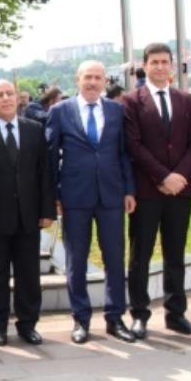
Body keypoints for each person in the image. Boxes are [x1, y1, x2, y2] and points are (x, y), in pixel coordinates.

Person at [46, 60, 136, 344]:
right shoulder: (60, 111)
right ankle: (81, 320)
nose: (93, 82)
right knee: (76, 260)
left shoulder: (116, 110)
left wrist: (129, 190)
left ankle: (115, 318)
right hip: (75, 196)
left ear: (105, 81)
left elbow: (123, 154)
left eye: (98, 77)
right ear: (78, 79)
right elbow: (50, 157)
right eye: (88, 77)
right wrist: (53, 195)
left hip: (111, 195)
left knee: (114, 258)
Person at [122, 43, 191, 339]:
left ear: (172, 65)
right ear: (144, 66)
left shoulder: (185, 100)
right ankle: (139, 314)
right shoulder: (131, 101)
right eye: (154, 62)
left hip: (179, 191)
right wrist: (163, 176)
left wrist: (178, 176)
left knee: (175, 254)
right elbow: (133, 145)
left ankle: (176, 314)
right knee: (140, 255)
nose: (159, 67)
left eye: (164, 62)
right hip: (147, 191)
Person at [0, 79, 55, 346]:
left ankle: (28, 324)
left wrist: (47, 210)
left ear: (18, 97)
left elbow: (44, 173)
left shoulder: (34, 130)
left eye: (9, 93)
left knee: (28, 274)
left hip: (29, 216)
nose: (6, 98)